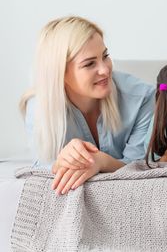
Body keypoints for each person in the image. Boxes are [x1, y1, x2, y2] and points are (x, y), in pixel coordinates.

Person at [20, 16, 155, 195]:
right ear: (60, 72)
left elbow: (141, 166)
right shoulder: (39, 107)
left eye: (105, 56)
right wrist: (59, 162)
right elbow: (43, 165)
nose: (105, 70)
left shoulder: (142, 98)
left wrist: (101, 162)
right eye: (89, 63)